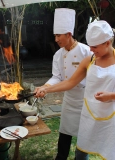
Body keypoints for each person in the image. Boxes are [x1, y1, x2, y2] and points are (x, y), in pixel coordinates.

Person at [35, 20, 115, 160]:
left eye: (95, 47)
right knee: (79, 147)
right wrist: (46, 89)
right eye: (90, 46)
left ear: (107, 43)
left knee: (109, 150)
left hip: (111, 115)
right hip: (88, 111)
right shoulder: (89, 60)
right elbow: (70, 82)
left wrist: (111, 95)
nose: (91, 50)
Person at [34, 8, 92, 160]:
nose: (56, 39)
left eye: (58, 35)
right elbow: (56, 77)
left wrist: (48, 90)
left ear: (68, 34)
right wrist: (44, 87)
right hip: (69, 100)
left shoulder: (86, 52)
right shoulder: (58, 55)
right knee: (64, 133)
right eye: (55, 36)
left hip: (85, 101)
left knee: (83, 137)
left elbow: (74, 81)